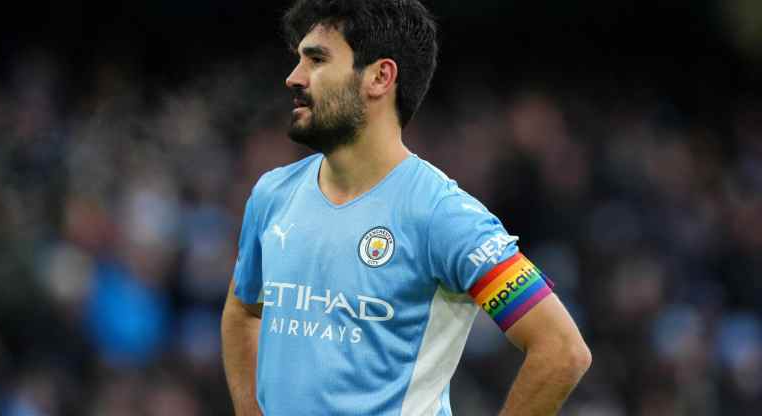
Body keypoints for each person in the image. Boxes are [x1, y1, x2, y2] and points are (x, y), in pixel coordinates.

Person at [221, 1, 591, 414]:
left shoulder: (443, 216)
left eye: (318, 59)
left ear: (380, 77)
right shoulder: (273, 195)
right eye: (299, 60)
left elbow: (561, 350)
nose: (294, 78)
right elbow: (242, 310)